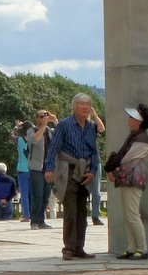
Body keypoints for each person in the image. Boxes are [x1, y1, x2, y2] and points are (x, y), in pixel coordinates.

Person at [44, 93, 104, 260]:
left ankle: (80, 247)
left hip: (85, 172)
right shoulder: (64, 124)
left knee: (82, 211)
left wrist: (93, 171)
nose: (85, 107)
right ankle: (69, 248)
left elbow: (95, 151)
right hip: (68, 170)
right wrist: (49, 169)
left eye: (88, 104)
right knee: (70, 209)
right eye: (81, 104)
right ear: (74, 107)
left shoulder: (92, 127)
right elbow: (54, 148)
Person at [109, 104, 148, 260]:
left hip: (133, 179)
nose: (129, 119)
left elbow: (129, 161)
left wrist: (115, 173)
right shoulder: (136, 136)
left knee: (133, 215)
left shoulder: (141, 138)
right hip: (129, 179)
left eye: (132, 117)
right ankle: (131, 247)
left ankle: (142, 249)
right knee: (128, 215)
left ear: (139, 121)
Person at [26, 110, 57, 230]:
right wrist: (44, 125)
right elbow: (35, 140)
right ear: (37, 119)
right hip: (36, 167)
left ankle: (41, 221)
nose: (43, 117)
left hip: (48, 167)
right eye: (41, 116)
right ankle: (34, 221)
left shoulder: (50, 130)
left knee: (45, 195)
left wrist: (54, 121)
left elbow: (62, 135)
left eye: (45, 115)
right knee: (37, 194)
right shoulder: (31, 130)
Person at [11, 122, 31, 224]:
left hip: (22, 169)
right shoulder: (35, 139)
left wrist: (16, 127)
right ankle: (35, 215)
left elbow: (11, 136)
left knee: (24, 194)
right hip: (33, 169)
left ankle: (27, 216)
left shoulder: (19, 140)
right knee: (34, 194)